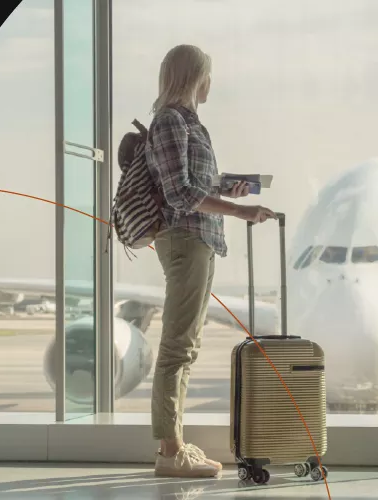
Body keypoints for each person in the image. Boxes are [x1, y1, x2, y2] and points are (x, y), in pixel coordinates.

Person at [144, 44, 276, 478]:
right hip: (185, 240)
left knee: (186, 347)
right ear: (193, 77)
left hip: (198, 240)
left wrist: (229, 187)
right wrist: (241, 211)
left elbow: (196, 182)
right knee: (177, 347)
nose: (211, 83)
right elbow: (180, 193)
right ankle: (169, 452)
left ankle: (175, 443)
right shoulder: (168, 121)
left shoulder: (187, 123)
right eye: (207, 75)